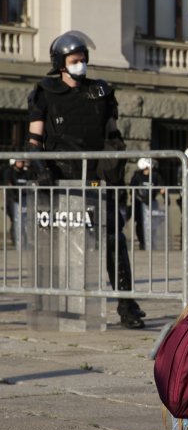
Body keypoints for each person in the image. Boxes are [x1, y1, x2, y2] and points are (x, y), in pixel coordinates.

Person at [26, 30, 145, 328]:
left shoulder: (101, 91)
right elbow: (33, 140)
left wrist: (113, 172)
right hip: (60, 181)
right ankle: (48, 304)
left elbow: (113, 136)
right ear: (61, 62)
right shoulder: (44, 91)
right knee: (55, 244)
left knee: (113, 240)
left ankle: (127, 305)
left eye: (83, 59)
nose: (81, 65)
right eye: (75, 60)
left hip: (95, 181)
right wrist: (41, 171)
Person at [129, 157, 164, 251]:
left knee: (152, 223)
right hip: (139, 203)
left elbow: (162, 187)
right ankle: (142, 242)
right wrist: (137, 198)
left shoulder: (155, 176)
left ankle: (151, 241)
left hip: (151, 202)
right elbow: (132, 189)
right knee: (140, 223)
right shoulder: (137, 176)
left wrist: (165, 197)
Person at [3, 159, 33, 248]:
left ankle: (26, 244)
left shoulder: (25, 172)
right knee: (17, 222)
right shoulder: (10, 172)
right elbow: (9, 185)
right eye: (19, 161)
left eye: (22, 162)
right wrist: (16, 197)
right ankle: (19, 244)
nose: (21, 163)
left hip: (24, 199)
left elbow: (31, 182)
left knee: (26, 222)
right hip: (14, 200)